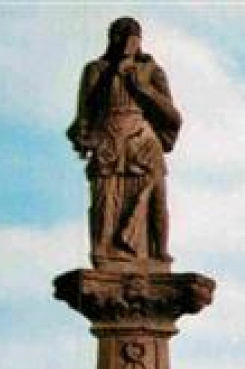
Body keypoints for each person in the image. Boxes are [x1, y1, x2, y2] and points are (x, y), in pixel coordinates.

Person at [68, 18, 182, 268]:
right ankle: (104, 252)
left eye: (131, 36)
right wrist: (82, 135)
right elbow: (83, 115)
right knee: (104, 202)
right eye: (118, 35)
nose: (124, 40)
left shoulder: (151, 70)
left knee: (155, 200)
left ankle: (158, 253)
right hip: (108, 141)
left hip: (143, 142)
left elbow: (173, 116)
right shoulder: (95, 70)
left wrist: (143, 89)